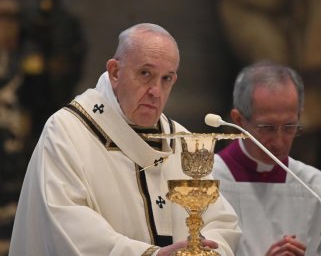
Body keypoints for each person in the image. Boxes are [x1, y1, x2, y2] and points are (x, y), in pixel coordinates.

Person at [9, 23, 241, 255]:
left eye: (166, 78)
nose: (156, 91)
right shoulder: (67, 131)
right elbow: (65, 222)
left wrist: (206, 251)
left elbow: (221, 221)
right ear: (115, 72)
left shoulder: (182, 142)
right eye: (145, 74)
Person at [212, 60, 321, 256]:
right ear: (239, 120)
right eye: (267, 128)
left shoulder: (319, 189)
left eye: (290, 127)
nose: (279, 142)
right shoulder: (206, 182)